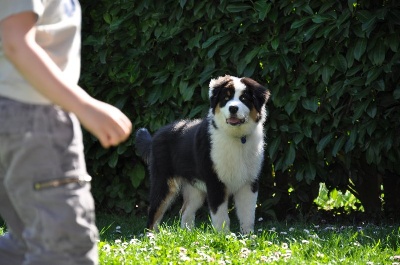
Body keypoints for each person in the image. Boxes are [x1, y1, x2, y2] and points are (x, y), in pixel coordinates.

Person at [0, 0, 132, 264]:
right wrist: (84, 106)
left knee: (26, 241)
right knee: (65, 248)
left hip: (18, 117)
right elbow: (15, 40)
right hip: (33, 117)